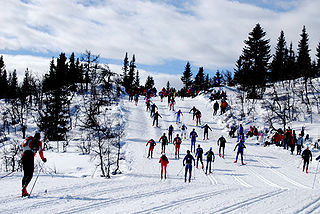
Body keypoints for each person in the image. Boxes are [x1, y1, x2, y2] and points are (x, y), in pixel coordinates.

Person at [21, 132, 47, 197]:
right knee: (30, 174)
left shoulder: (28, 139)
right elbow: (40, 152)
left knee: (25, 174)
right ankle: (24, 189)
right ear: (39, 138)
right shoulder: (39, 142)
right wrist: (43, 159)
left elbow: (23, 147)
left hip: (24, 156)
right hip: (30, 157)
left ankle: (23, 191)